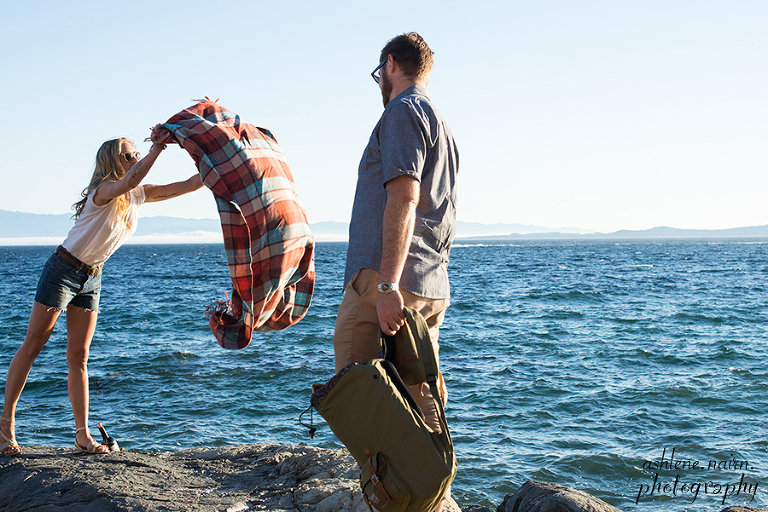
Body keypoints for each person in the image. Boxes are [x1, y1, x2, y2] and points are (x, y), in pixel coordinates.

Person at [0, 128, 204, 456]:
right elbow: (128, 181)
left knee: (79, 357)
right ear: (113, 161)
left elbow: (191, 184)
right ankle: (6, 424)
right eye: (129, 155)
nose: (135, 158)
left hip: (92, 277)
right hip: (63, 270)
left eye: (135, 153)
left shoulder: (139, 194)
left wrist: (217, 161)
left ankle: (82, 435)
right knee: (34, 344)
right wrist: (156, 150)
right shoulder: (104, 191)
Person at [332, 32, 459, 511]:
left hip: (389, 280)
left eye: (378, 74)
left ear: (390, 65)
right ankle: (427, 494)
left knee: (353, 388)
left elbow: (404, 197)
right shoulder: (442, 125)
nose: (378, 83)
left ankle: (392, 497)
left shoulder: (402, 111)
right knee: (418, 391)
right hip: (429, 279)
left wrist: (386, 283)